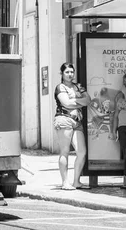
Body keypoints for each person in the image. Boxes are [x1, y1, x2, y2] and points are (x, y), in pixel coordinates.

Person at [54, 62, 91, 190]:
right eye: (67, 72)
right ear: (62, 74)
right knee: (65, 151)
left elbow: (88, 100)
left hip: (77, 121)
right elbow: (65, 104)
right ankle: (65, 182)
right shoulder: (60, 87)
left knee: (82, 151)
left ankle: (76, 181)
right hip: (64, 119)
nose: (70, 74)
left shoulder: (78, 86)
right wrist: (80, 103)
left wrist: (74, 102)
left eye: (72, 72)